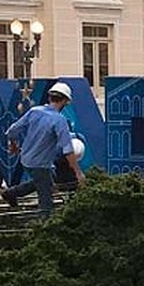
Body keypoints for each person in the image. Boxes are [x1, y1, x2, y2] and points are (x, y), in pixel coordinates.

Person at [3, 82, 85, 217]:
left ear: (49, 97)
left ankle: (11, 193)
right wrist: (78, 173)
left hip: (26, 158)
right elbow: (68, 150)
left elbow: (13, 130)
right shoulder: (60, 120)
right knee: (46, 201)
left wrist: (13, 145)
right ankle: (44, 227)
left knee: (45, 180)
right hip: (40, 164)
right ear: (65, 101)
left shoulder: (35, 111)